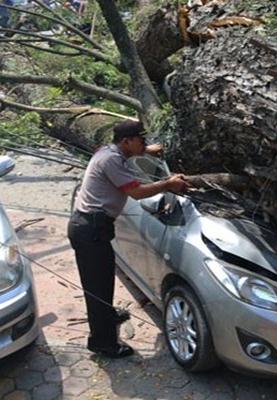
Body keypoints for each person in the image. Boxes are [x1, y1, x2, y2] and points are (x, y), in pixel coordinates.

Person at [68, 120, 189, 358]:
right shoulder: (112, 159)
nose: (144, 143)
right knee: (97, 288)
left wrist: (146, 150)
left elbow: (127, 160)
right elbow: (137, 192)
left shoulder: (109, 151)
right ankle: (103, 343)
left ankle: (107, 316)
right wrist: (169, 184)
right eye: (140, 140)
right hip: (90, 229)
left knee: (103, 280)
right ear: (126, 142)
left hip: (93, 227)